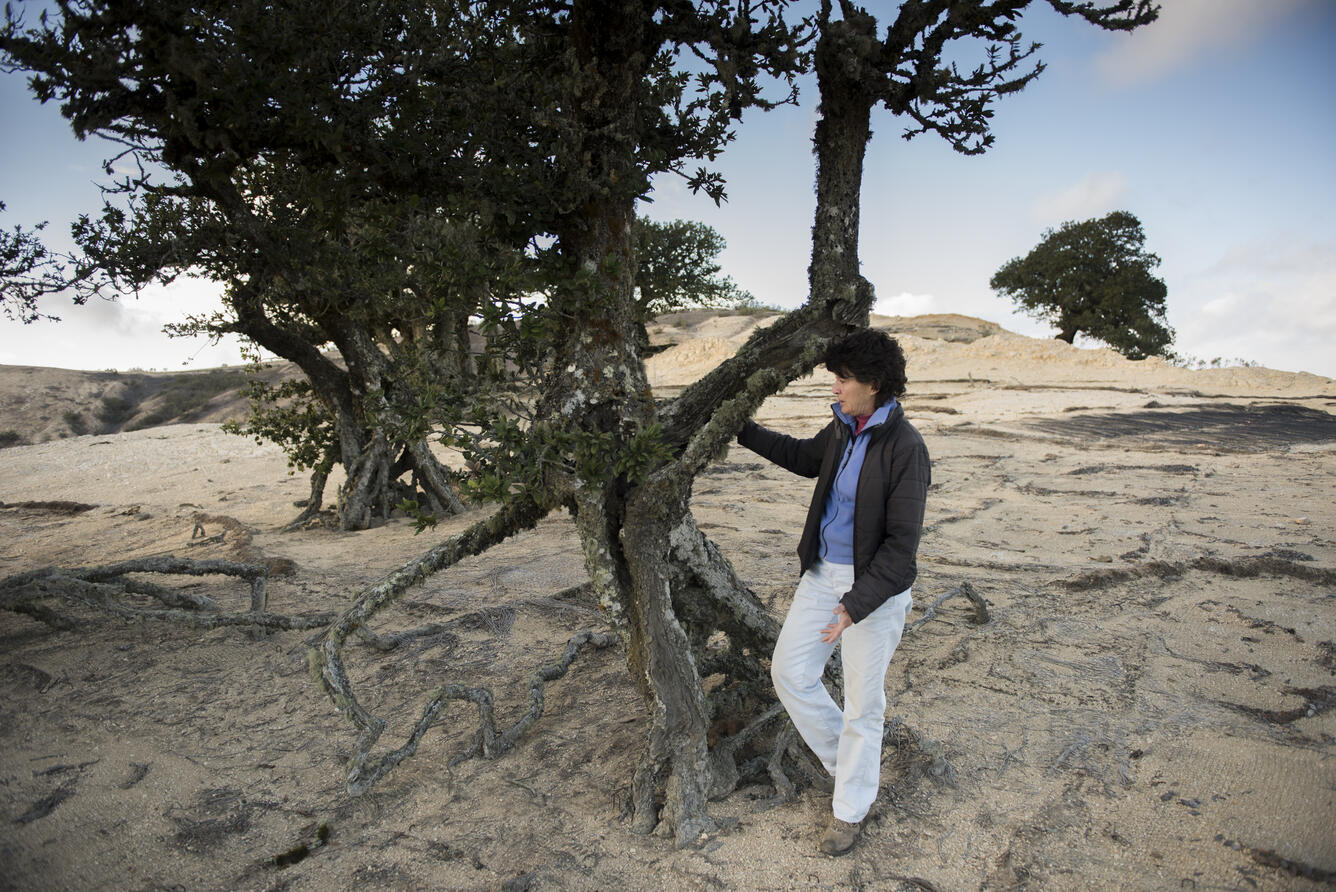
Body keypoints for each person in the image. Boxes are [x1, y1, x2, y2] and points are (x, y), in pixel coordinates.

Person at [737, 328, 930, 856]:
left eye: (843, 379)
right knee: (791, 673)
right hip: (823, 575)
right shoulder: (844, 427)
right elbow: (804, 458)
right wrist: (743, 430)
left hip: (876, 590)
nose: (836, 387)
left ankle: (850, 809)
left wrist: (854, 606)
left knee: (864, 704)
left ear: (873, 383)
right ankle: (851, 769)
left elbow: (900, 550)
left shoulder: (906, 448)